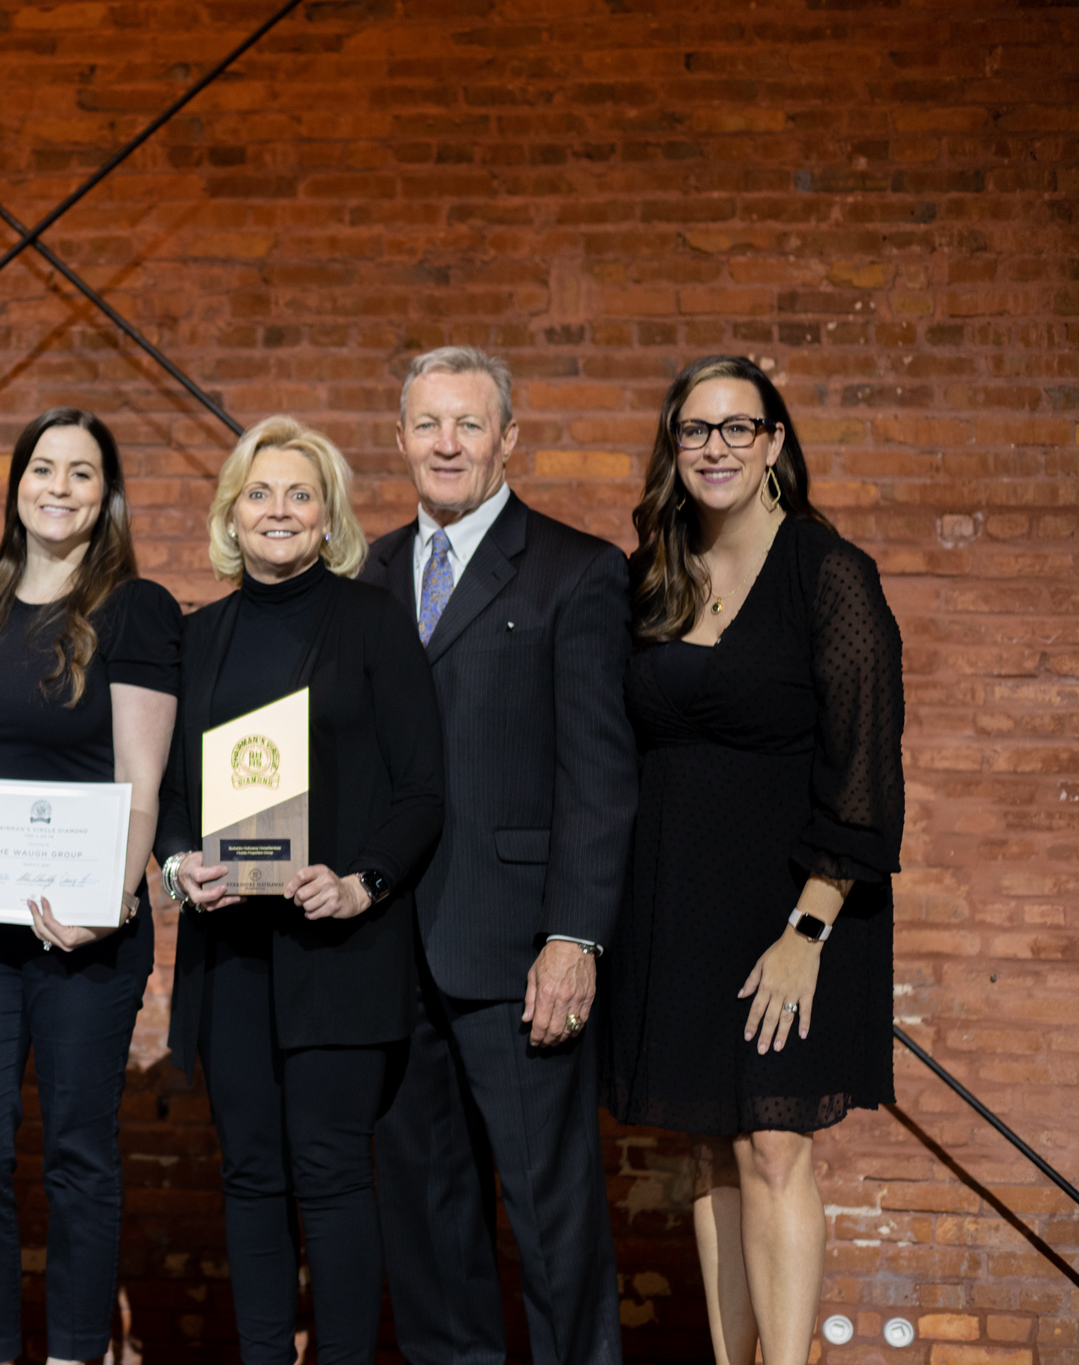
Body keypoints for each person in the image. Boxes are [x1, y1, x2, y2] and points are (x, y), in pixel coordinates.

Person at [602, 356, 902, 1365]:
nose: (714, 448)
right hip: (676, 900)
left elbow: (862, 771)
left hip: (791, 908)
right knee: (711, 1159)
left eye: (738, 427)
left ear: (774, 441)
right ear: (671, 446)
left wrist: (806, 931)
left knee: (773, 1145)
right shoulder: (654, 570)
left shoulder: (828, 574)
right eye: (694, 430)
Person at [363, 346, 637, 1365]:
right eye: (426, 424)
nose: (444, 444)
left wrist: (573, 937)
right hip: (388, 951)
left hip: (519, 952)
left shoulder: (575, 570)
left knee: (552, 1223)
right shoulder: (369, 571)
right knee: (427, 1223)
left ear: (506, 439)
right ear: (399, 440)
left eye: (467, 425)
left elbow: (599, 777)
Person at [155, 417, 445, 1365]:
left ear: (328, 519)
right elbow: (163, 795)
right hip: (231, 950)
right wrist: (176, 863)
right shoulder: (198, 638)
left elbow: (422, 788)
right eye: (260, 493)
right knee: (249, 1173)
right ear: (232, 516)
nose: (278, 510)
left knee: (328, 1174)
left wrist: (362, 883)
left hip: (338, 948)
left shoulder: (369, 619)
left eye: (300, 494)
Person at [0, 408, 179, 1365]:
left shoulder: (134, 609)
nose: (58, 488)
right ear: (17, 484)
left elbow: (141, 776)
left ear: (108, 496)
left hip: (85, 929)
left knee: (78, 1153)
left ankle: (69, 1354)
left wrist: (116, 899)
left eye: (82, 473)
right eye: (43, 469)